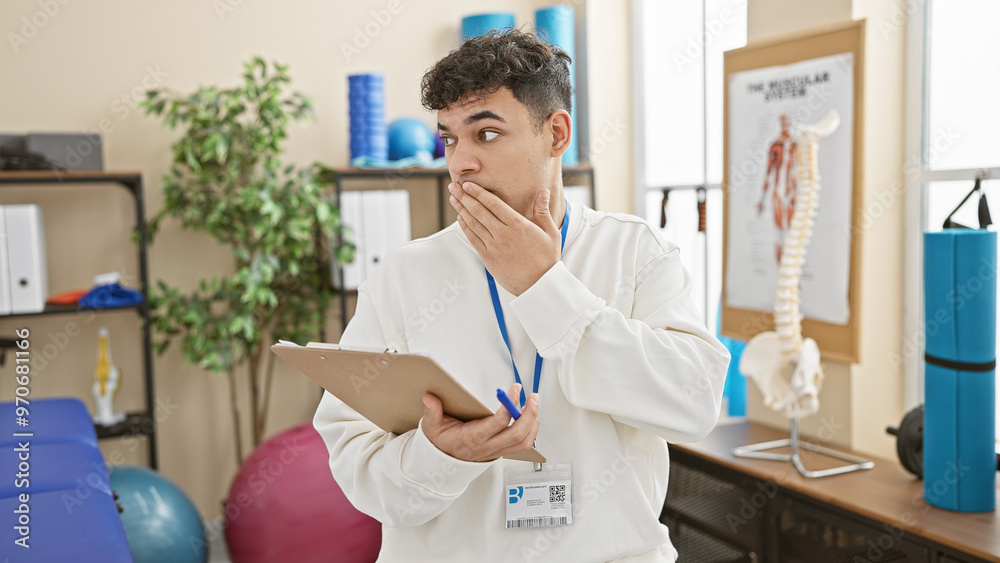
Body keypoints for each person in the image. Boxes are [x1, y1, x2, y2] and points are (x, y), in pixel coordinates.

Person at [314, 29, 729, 562]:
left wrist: (543, 285)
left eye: (486, 134)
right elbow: (356, 463)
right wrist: (441, 456)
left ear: (556, 133)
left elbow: (694, 405)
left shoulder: (635, 252)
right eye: (450, 139)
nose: (461, 162)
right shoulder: (403, 274)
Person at [756, 114, 797, 263]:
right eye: (783, 123)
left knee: (792, 228)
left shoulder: (795, 145)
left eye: (787, 123)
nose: (785, 126)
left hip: (791, 192)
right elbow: (768, 172)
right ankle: (780, 265)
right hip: (778, 191)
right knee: (778, 229)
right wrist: (762, 198)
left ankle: (790, 265)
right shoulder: (775, 146)